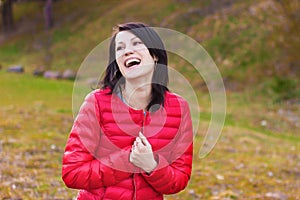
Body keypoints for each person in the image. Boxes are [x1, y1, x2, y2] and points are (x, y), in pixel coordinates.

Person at [62, 22, 193, 200]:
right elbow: (73, 173)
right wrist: (127, 160)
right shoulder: (97, 103)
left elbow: (179, 180)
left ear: (154, 54)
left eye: (136, 43)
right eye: (120, 48)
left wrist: (152, 166)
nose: (127, 51)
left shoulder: (179, 108)